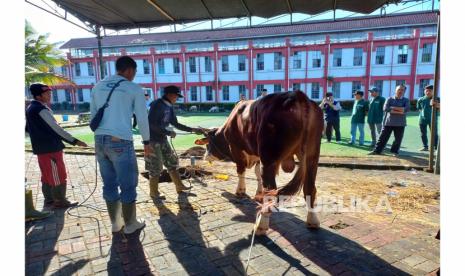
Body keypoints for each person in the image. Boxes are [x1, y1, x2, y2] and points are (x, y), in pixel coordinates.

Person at [91, 56, 151, 235]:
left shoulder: (97, 86)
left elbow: (93, 116)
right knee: (128, 183)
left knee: (109, 184)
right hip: (120, 141)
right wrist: (146, 142)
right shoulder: (133, 88)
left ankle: (116, 223)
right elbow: (142, 117)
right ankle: (131, 224)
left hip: (99, 139)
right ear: (130, 70)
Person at [26, 83, 88, 209]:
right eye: (47, 93)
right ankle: (59, 201)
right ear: (38, 96)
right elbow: (57, 129)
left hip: (41, 149)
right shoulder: (40, 109)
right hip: (50, 149)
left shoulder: (31, 108)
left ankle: (50, 199)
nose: (50, 95)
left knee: (47, 174)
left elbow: (27, 129)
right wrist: (75, 141)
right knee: (58, 175)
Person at [146, 85, 204, 199]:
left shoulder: (169, 107)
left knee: (172, 163)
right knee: (156, 168)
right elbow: (151, 124)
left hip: (162, 139)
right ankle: (154, 193)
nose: (177, 98)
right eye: (176, 96)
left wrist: (192, 130)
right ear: (170, 94)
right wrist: (168, 132)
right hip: (153, 140)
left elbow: (176, 124)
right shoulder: (157, 105)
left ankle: (179, 186)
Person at [369, 85, 410, 156]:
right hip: (388, 122)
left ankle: (394, 152)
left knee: (398, 139)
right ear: (395, 90)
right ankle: (377, 151)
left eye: (402, 90)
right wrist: (400, 110)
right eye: (399, 89)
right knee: (382, 138)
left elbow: (407, 109)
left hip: (400, 123)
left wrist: (393, 109)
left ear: (404, 91)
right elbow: (385, 108)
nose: (400, 91)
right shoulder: (389, 99)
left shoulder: (406, 100)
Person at [417, 84, 439, 151]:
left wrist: (436, 104)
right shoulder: (421, 99)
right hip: (422, 120)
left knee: (434, 133)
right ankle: (425, 146)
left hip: (433, 119)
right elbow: (419, 108)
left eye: (430, 91)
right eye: (426, 91)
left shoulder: (437, 99)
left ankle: (435, 147)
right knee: (423, 133)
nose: (427, 92)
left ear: (433, 91)